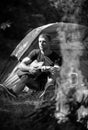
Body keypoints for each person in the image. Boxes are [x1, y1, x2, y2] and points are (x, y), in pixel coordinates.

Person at [4, 33, 61, 97]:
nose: (41, 44)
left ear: (49, 42)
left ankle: (46, 91)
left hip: (45, 83)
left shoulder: (56, 57)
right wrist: (30, 69)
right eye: (39, 41)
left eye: (44, 42)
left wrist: (48, 68)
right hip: (34, 82)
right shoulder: (35, 52)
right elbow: (21, 65)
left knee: (53, 73)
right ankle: (13, 94)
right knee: (25, 76)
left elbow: (57, 69)